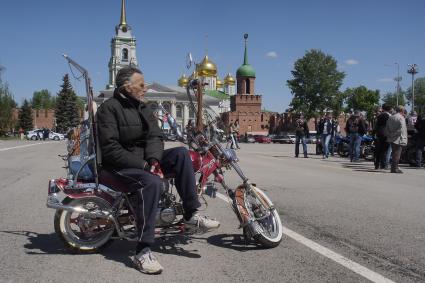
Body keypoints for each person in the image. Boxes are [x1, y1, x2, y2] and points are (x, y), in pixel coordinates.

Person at [96, 66, 219, 275]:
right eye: (141, 85)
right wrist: (145, 166)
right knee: (151, 182)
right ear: (127, 86)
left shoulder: (143, 108)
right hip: (116, 166)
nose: (145, 88)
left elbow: (155, 136)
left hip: (144, 161)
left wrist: (153, 159)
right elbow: (110, 149)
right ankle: (142, 251)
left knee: (181, 154)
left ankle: (190, 215)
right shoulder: (109, 108)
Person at [385, 106, 408, 173]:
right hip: (399, 138)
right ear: (401, 110)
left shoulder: (391, 117)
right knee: (397, 154)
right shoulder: (401, 118)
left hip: (391, 138)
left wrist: (390, 135)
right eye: (403, 110)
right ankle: (395, 168)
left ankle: (394, 168)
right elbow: (401, 129)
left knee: (394, 153)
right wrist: (394, 135)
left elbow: (387, 128)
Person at [373, 104, 392, 169]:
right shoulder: (390, 116)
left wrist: (374, 133)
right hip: (386, 134)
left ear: (383, 108)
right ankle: (383, 164)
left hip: (379, 133)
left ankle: (377, 164)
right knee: (385, 150)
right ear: (389, 109)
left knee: (378, 149)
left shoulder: (379, 116)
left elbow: (376, 125)